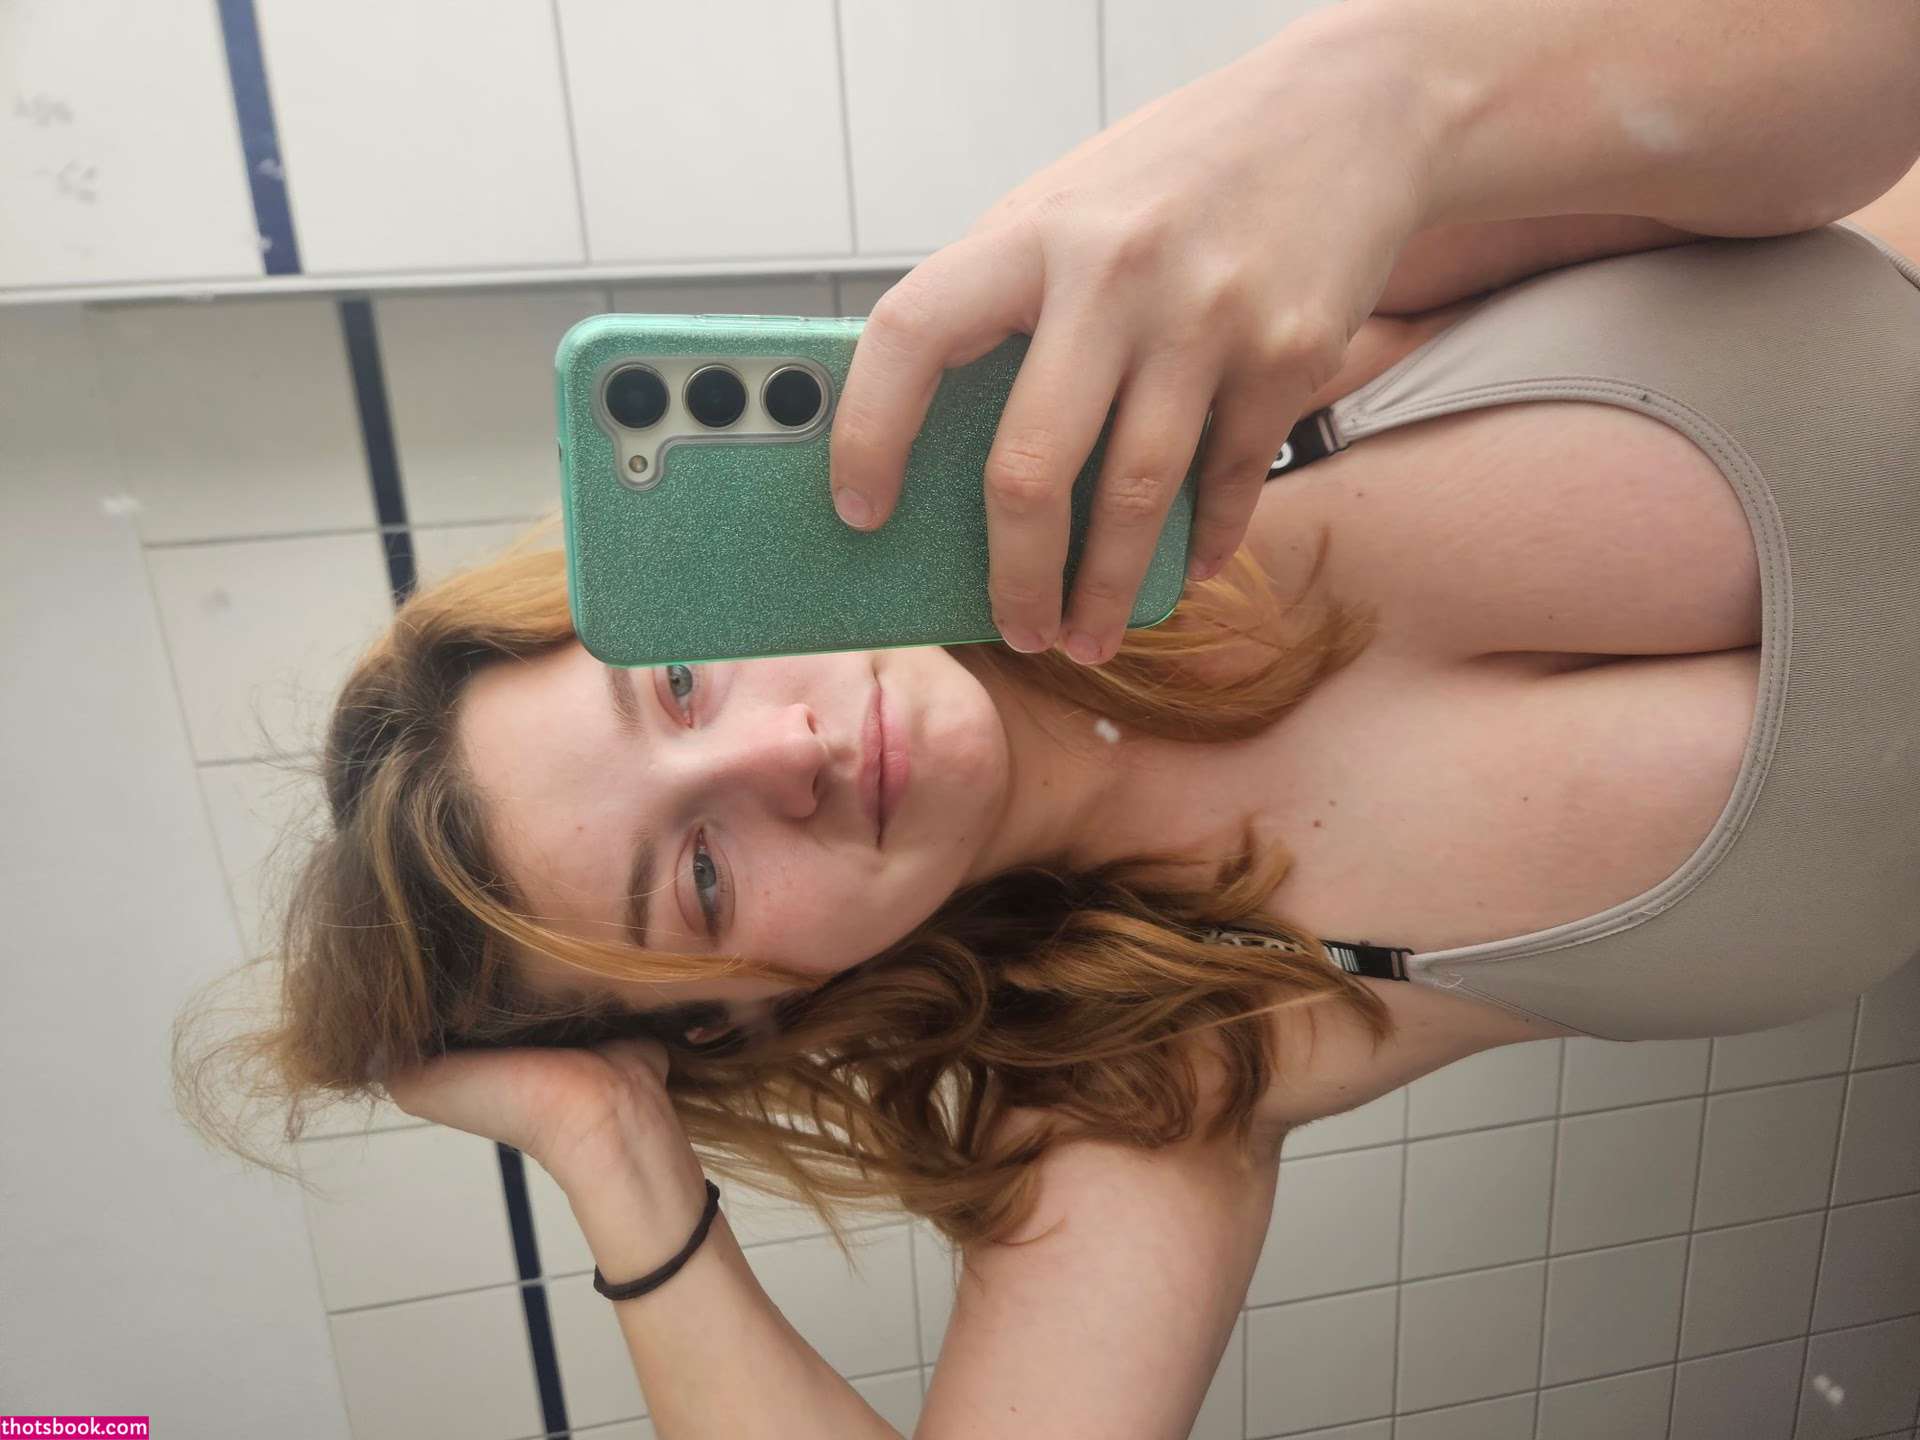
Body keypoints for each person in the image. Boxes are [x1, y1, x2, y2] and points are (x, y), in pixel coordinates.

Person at [174, 1, 1920, 1435]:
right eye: (698, 880)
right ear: (743, 1011)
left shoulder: (1178, 363)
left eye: (680, 684)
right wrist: (614, 1153)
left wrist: (1380, 91)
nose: (781, 757)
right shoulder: (1156, 1071)